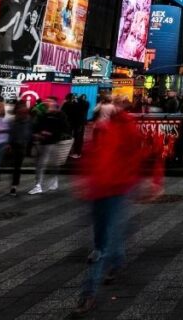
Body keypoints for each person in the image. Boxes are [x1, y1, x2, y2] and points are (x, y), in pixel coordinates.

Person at [72, 97, 147, 317]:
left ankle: (88, 291)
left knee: (101, 243)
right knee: (106, 236)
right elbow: (91, 157)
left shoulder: (123, 128)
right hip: (101, 188)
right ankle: (116, 260)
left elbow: (136, 156)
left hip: (114, 188)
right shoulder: (103, 129)